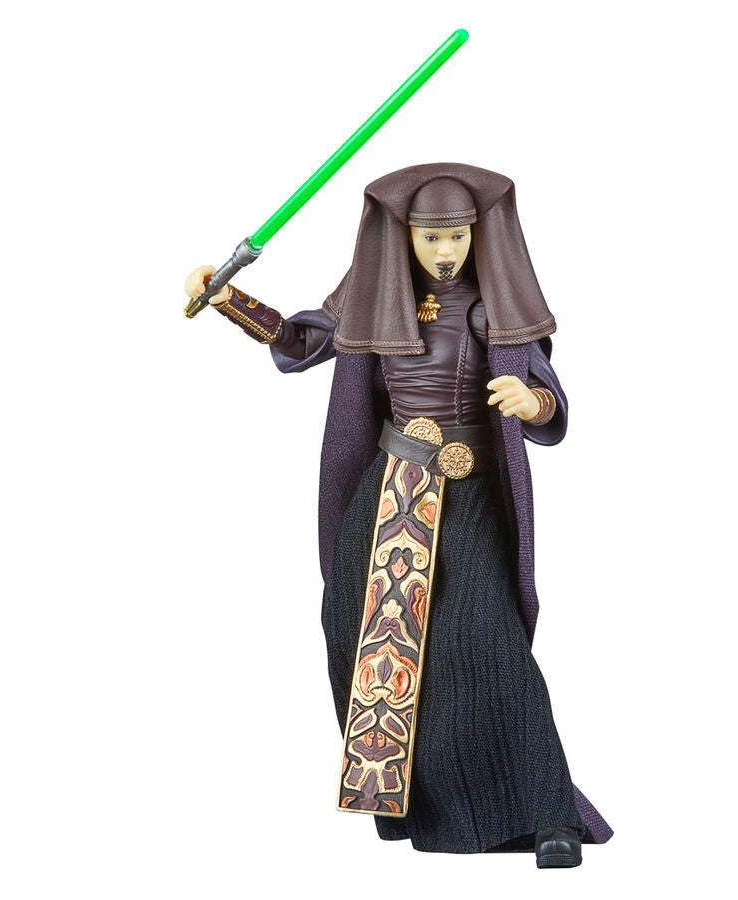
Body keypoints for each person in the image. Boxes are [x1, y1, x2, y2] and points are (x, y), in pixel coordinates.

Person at [184, 163, 612, 867]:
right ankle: (422, 801)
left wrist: (532, 402)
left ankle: (548, 814)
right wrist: (231, 300)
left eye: (457, 236)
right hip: (392, 487)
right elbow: (301, 341)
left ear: (477, 236)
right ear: (405, 236)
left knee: (488, 639)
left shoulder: (493, 303)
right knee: (354, 625)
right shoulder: (375, 296)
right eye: (431, 237)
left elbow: (545, 389)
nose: (446, 251)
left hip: (469, 493)